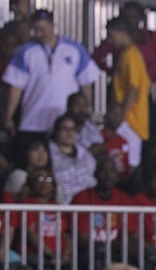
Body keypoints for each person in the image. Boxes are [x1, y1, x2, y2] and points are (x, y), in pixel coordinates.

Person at [2, 9, 100, 158]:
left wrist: (87, 107)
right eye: (36, 30)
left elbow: (86, 82)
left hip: (65, 122)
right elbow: (16, 87)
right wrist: (8, 116)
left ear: (53, 25)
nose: (39, 33)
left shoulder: (75, 49)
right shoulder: (25, 51)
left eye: (43, 28)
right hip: (33, 120)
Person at [106, 17, 151, 146]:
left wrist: (122, 116)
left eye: (111, 36)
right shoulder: (126, 55)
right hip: (127, 120)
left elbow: (133, 88)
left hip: (131, 121)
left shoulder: (131, 55)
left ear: (123, 33)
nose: (110, 41)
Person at [48, 112, 97, 204]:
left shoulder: (85, 153)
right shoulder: (48, 153)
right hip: (64, 203)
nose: (69, 133)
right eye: (65, 129)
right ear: (56, 131)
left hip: (88, 202)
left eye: (72, 129)